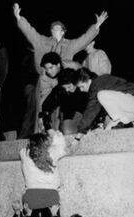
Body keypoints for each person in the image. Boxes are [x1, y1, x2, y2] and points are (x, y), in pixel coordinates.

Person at [13, 3, 108, 134]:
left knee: (61, 107)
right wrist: (19, 18)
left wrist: (96, 26)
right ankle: (41, 133)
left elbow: (84, 39)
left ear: (63, 31)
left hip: (62, 79)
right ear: (51, 31)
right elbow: (30, 31)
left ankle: (59, 132)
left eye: (58, 28)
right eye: (53, 29)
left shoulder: (70, 45)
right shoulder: (42, 41)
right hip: (46, 79)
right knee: (43, 106)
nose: (55, 30)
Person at [59, 68, 134, 136]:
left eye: (82, 87)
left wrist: (81, 130)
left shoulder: (98, 83)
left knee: (101, 95)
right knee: (109, 130)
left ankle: (125, 123)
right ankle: (130, 124)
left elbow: (91, 109)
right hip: (131, 109)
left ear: (88, 80)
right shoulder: (99, 85)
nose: (81, 90)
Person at [20, 131, 68, 217]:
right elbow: (62, 147)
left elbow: (24, 150)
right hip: (50, 196)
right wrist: (55, 133)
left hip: (31, 196)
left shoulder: (24, 153)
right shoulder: (51, 152)